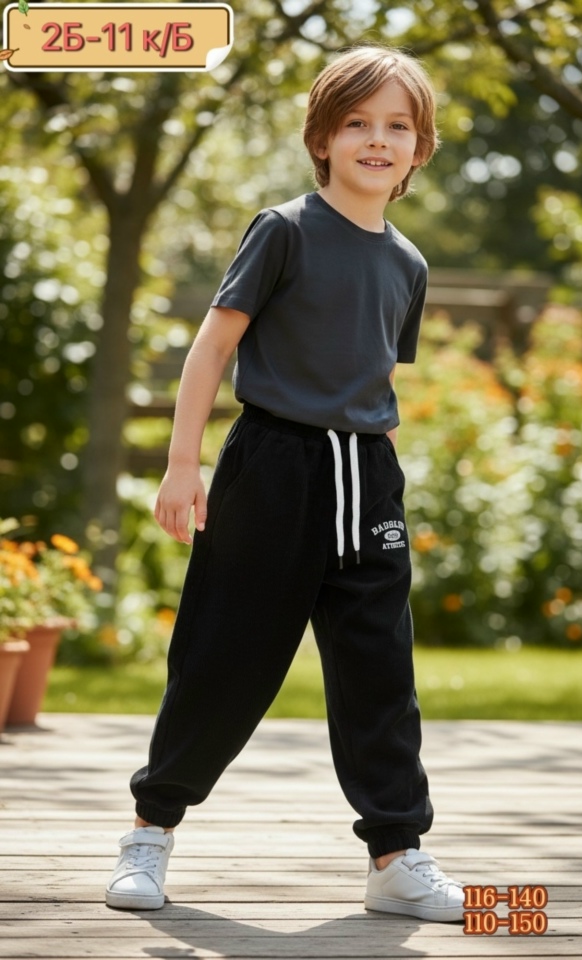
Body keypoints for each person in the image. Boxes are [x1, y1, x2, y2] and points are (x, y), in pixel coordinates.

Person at [105, 42, 465, 923]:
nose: (376, 140)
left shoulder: (410, 264)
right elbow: (212, 348)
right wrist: (182, 465)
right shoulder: (285, 229)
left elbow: (373, 377)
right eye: (357, 123)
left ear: (419, 148)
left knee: (381, 672)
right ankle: (150, 832)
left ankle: (396, 856)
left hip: (367, 476)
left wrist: (378, 480)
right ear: (322, 137)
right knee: (223, 659)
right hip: (272, 468)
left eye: (397, 126)